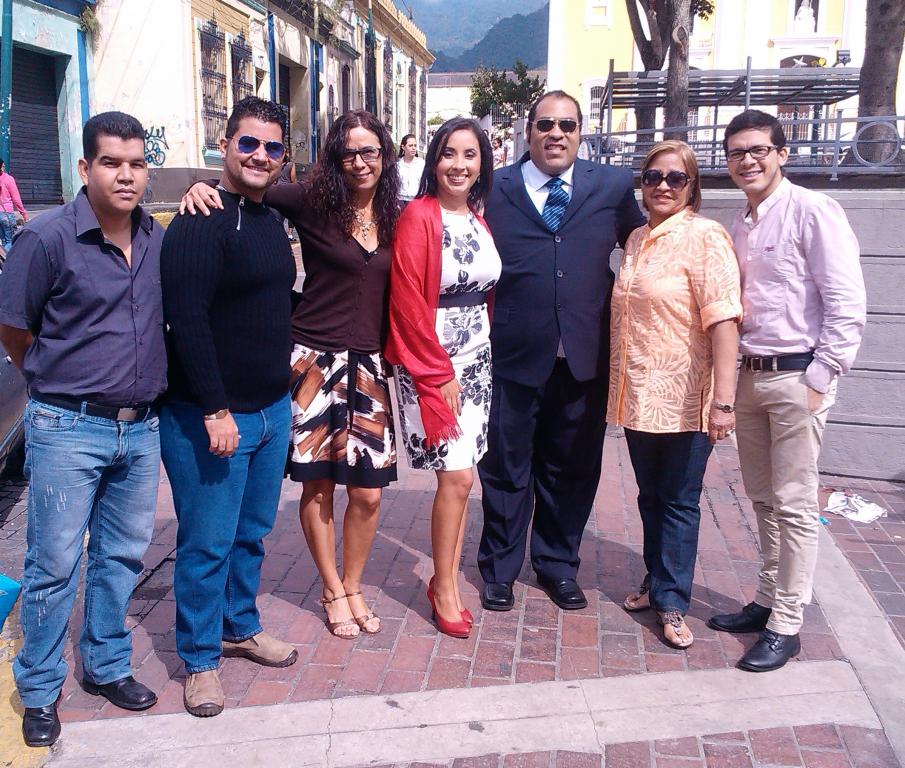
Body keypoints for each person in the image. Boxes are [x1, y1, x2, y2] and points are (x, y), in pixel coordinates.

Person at [180, 110, 399, 641]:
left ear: (384, 155)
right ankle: (332, 589)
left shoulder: (399, 214)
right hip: (312, 363)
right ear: (335, 158)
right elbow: (247, 186)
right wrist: (199, 186)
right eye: (348, 152)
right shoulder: (311, 202)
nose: (359, 162)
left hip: (369, 366)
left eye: (369, 151)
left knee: (368, 492)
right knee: (318, 485)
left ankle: (354, 584)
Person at [0, 112, 166, 747]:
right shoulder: (45, 239)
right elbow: (14, 328)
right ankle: (40, 689)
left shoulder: (155, 236)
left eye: (136, 164)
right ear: (84, 167)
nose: (126, 175)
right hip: (68, 426)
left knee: (121, 555)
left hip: (140, 430)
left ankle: (105, 664)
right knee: (53, 564)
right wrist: (52, 381)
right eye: (111, 162)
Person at [707, 110, 866, 672]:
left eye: (758, 150)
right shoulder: (740, 223)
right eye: (736, 153)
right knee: (763, 498)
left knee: (796, 504)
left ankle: (788, 623)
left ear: (782, 153)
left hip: (798, 378)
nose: (747, 161)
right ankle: (768, 598)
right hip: (751, 376)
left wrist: (822, 377)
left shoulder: (814, 211)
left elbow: (846, 302)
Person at [477, 90, 646, 612]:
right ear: (529, 130)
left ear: (580, 132)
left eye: (567, 125)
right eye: (546, 124)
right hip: (512, 354)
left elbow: (647, 242)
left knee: (571, 468)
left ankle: (556, 565)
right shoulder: (495, 186)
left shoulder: (612, 186)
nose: (556, 134)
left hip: (583, 356)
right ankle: (500, 569)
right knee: (506, 468)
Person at [161, 96, 298, 718]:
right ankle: (198, 658)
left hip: (270, 410)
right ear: (225, 145)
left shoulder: (269, 219)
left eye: (272, 147)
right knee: (207, 542)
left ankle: (239, 626)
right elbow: (186, 319)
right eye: (248, 143)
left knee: (251, 534)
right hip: (213, 416)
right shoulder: (200, 219)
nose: (259, 155)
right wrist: (215, 409)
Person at [608, 140, 742, 649]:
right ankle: (656, 577)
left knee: (680, 501)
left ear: (692, 185)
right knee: (651, 497)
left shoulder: (706, 237)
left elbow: (724, 321)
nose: (662, 186)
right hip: (640, 396)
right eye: (653, 177)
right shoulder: (637, 238)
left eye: (675, 178)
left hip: (688, 397)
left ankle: (672, 601)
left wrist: (723, 401)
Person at [385, 118, 500, 639]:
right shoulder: (418, 216)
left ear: (482, 163)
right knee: (456, 477)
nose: (459, 164)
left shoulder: (478, 218)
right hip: (432, 362)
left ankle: (444, 578)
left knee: (464, 476)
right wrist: (437, 372)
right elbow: (408, 302)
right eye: (449, 153)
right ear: (434, 160)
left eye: (470, 155)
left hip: (477, 360)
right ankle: (445, 589)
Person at [0, 158, 28, 254]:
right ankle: (8, 262)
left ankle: (4, 261)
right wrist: (24, 214)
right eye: (3, 166)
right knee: (10, 242)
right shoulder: (8, 179)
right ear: (2, 167)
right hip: (6, 214)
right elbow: (16, 199)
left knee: (4, 241)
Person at [398, 133, 425, 208]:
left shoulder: (422, 164)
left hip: (417, 201)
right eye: (410, 146)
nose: (413, 148)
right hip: (400, 202)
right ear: (403, 147)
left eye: (415, 145)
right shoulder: (397, 165)